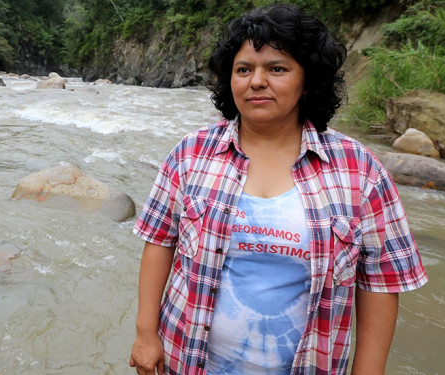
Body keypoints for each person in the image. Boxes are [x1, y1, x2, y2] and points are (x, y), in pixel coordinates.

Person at [129, 3, 428, 375]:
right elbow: (159, 240)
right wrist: (145, 332)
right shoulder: (191, 153)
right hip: (185, 360)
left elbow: (381, 282)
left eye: (277, 69)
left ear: (308, 80)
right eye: (244, 70)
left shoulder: (360, 170)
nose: (256, 81)